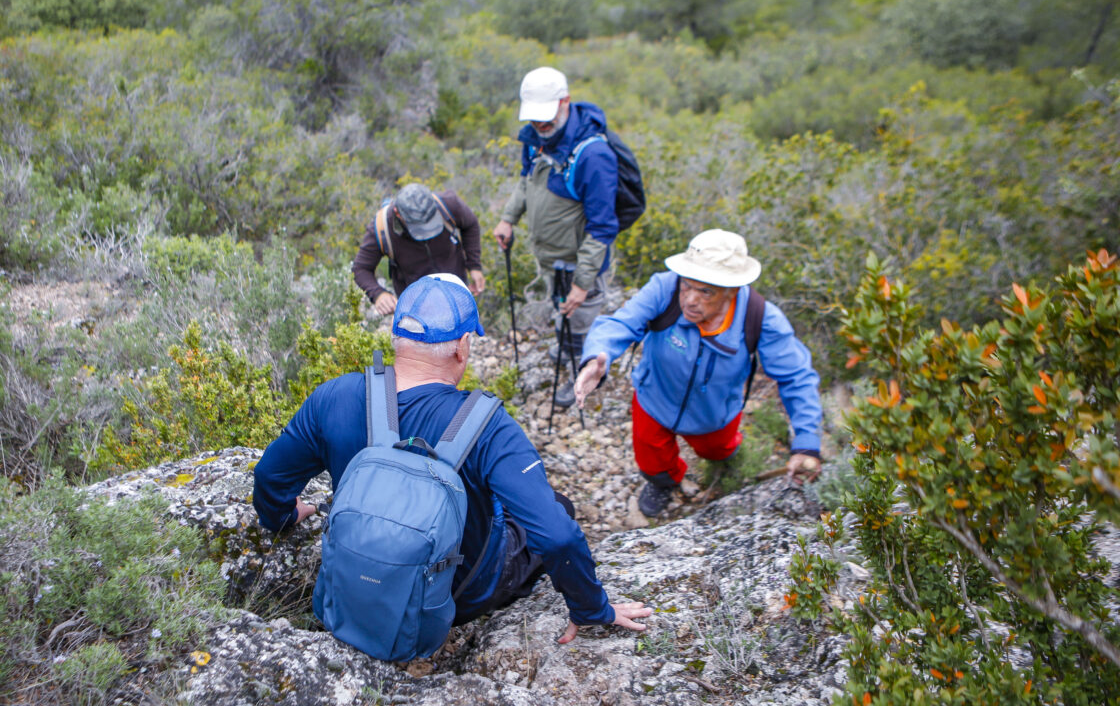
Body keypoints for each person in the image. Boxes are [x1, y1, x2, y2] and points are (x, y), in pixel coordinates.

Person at [253, 274, 650, 643]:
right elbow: (557, 536)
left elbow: (270, 476)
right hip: (457, 597)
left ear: (396, 337)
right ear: (462, 347)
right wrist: (591, 606)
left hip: (355, 578)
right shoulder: (489, 426)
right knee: (559, 506)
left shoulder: (334, 397)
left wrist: (282, 516)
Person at [574, 229, 824, 518]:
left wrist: (807, 443)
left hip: (714, 414)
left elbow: (796, 377)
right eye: (687, 285)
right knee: (652, 458)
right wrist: (596, 356)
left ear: (732, 290)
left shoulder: (759, 317)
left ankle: (725, 460)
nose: (690, 300)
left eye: (706, 291)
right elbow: (621, 323)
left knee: (718, 451)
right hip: (654, 399)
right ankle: (664, 482)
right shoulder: (665, 288)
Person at [491, 66, 619, 406]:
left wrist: (582, 283)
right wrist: (508, 218)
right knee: (561, 308)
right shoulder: (536, 140)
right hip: (551, 258)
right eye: (534, 118)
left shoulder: (594, 156)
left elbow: (603, 227)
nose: (540, 125)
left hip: (580, 262)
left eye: (546, 117)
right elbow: (526, 181)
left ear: (565, 102)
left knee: (582, 316)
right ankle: (567, 347)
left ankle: (584, 372)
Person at [353, 182, 485, 316]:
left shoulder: (447, 205)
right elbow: (361, 268)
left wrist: (474, 265)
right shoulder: (383, 228)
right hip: (416, 308)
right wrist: (378, 294)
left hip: (456, 295)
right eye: (419, 227)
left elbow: (471, 224)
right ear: (398, 214)